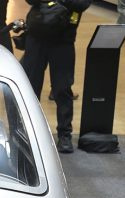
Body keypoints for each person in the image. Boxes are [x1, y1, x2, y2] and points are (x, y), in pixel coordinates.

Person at [21, 0, 91, 154]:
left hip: (63, 40)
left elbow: (83, 4)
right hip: (37, 35)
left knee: (62, 89)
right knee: (30, 87)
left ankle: (64, 135)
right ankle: (26, 131)